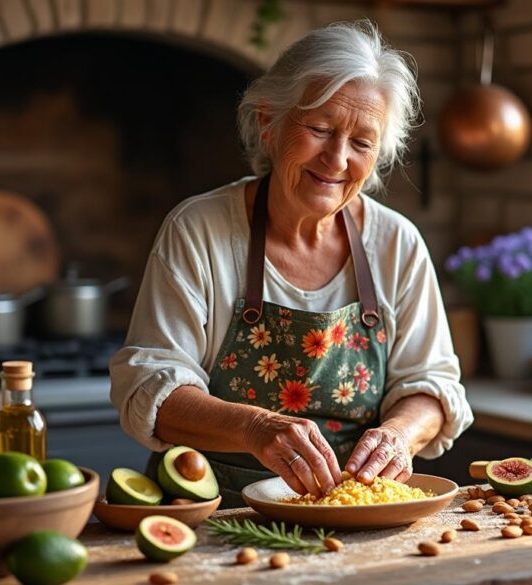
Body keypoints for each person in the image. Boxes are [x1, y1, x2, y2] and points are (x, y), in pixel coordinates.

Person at [110, 20, 472, 507]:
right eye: (321, 129)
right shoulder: (199, 229)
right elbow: (150, 385)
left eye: (362, 143)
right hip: (211, 508)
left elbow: (431, 384)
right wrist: (255, 427)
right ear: (268, 123)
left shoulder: (396, 243)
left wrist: (399, 436)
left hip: (349, 516)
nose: (338, 159)